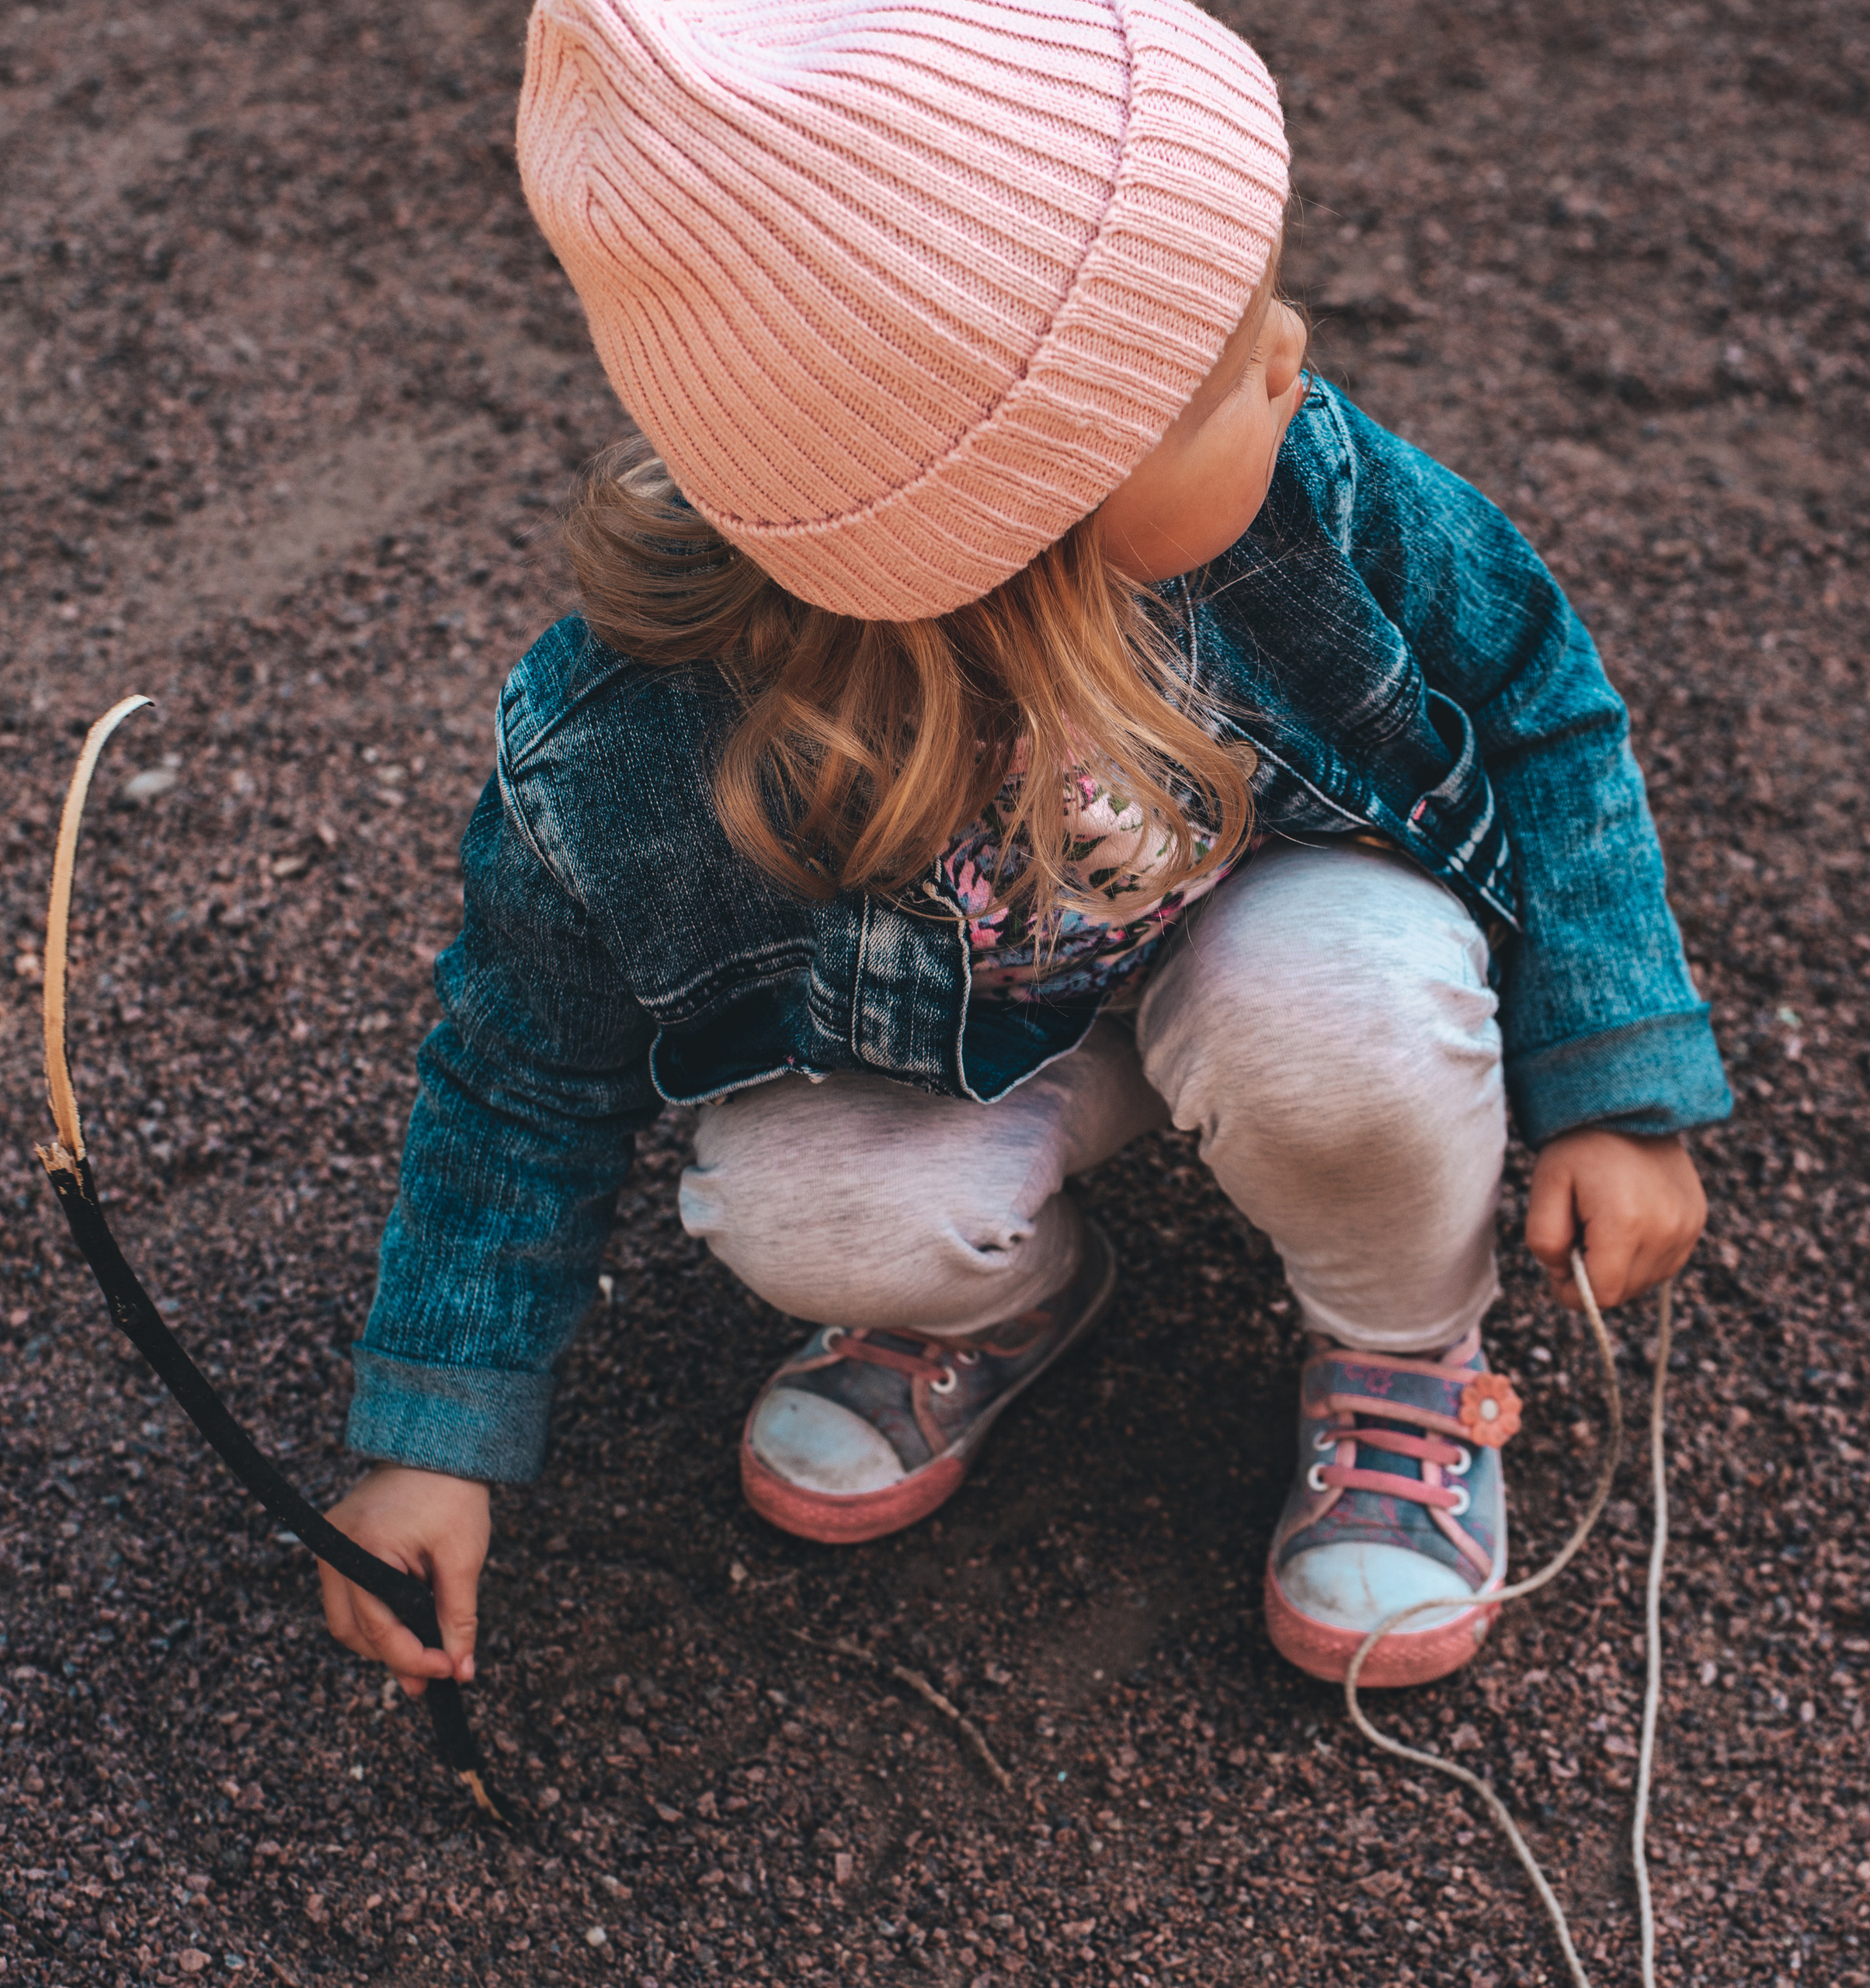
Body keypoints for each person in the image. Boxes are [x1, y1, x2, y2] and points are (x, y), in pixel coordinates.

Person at [317, 0, 1727, 1699]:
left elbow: (1537, 700)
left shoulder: (1314, 485)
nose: (1290, 347)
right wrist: (435, 1434)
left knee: (1337, 1013)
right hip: (958, 1053)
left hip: (1270, 940)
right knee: (797, 1204)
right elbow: (523, 1072)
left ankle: (1401, 1343)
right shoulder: (627, 748)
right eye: (1222, 366)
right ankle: (993, 1301)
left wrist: (1612, 1081)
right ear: (1023, 513)